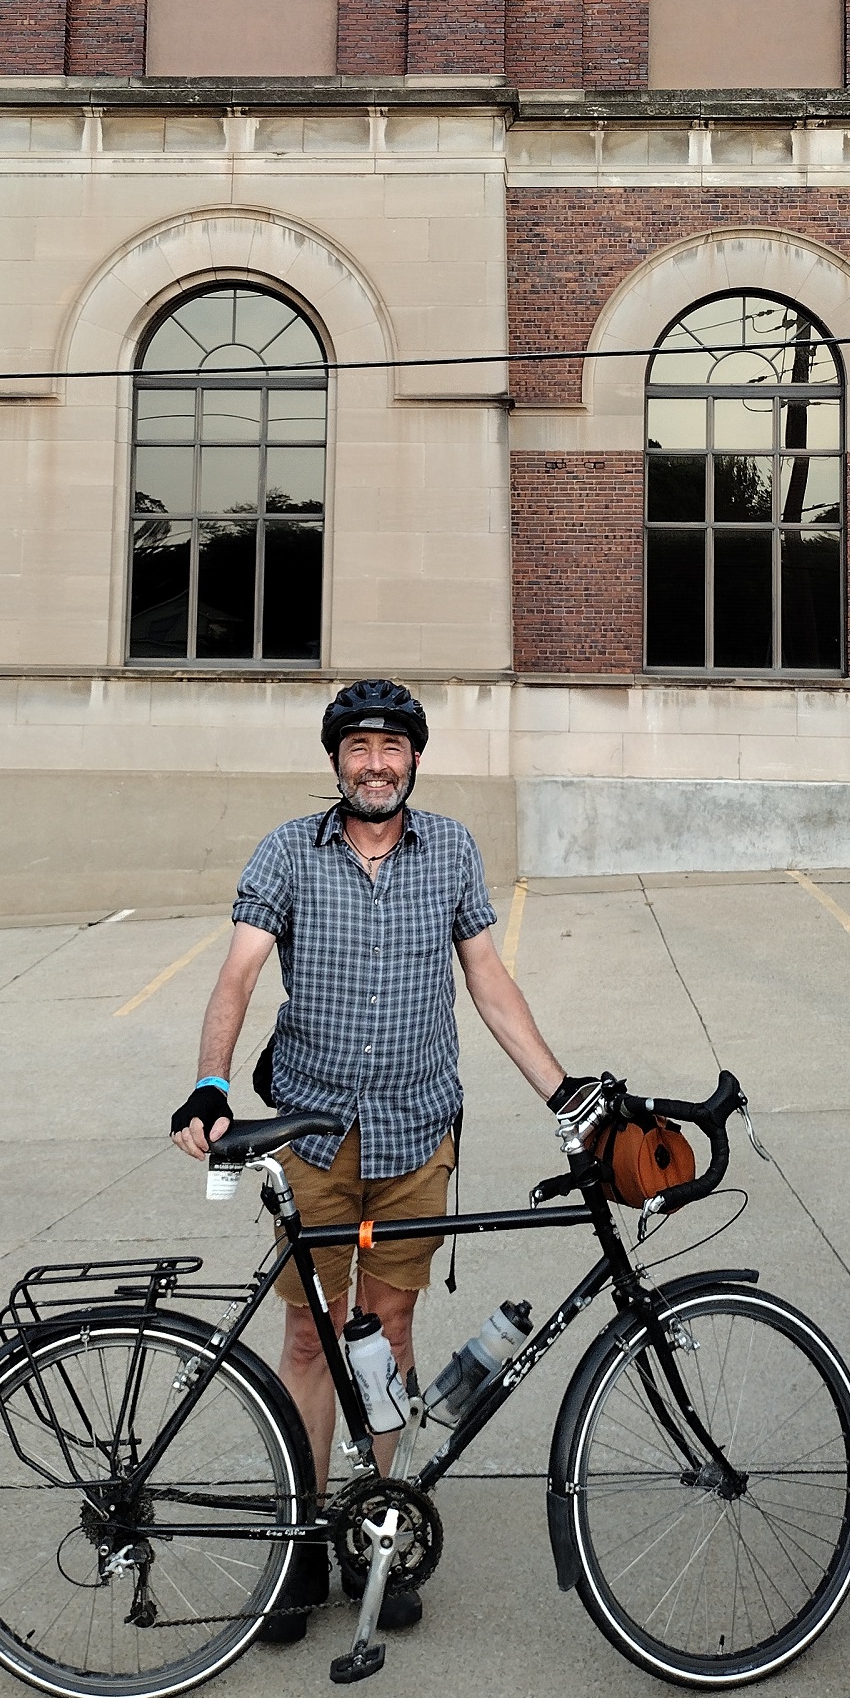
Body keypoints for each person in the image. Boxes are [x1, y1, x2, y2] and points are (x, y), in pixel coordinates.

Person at [170, 677, 587, 1643]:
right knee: (312, 1340)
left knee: (387, 1330)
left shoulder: (448, 850)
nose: (374, 763)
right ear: (335, 762)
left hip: (414, 1135)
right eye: (357, 746)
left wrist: (561, 1093)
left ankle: (378, 1531)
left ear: (414, 758)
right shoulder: (287, 852)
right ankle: (302, 1541)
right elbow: (236, 972)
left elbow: (487, 980)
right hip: (312, 1136)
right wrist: (211, 1085)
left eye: (391, 746)